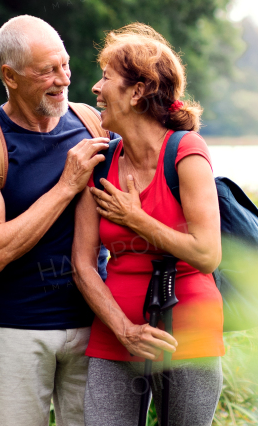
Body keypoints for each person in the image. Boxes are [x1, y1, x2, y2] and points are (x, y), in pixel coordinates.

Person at [0, 15, 111, 426]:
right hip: (15, 328)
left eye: (65, 65)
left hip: (95, 322)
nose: (63, 79)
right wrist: (65, 186)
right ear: (10, 75)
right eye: (47, 71)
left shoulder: (94, 125)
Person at [70, 23, 224, 426]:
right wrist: (123, 330)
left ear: (137, 92)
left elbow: (207, 254)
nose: (95, 89)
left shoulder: (187, 152)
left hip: (188, 331)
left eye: (105, 78)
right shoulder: (101, 163)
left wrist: (134, 219)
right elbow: (83, 264)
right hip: (114, 331)